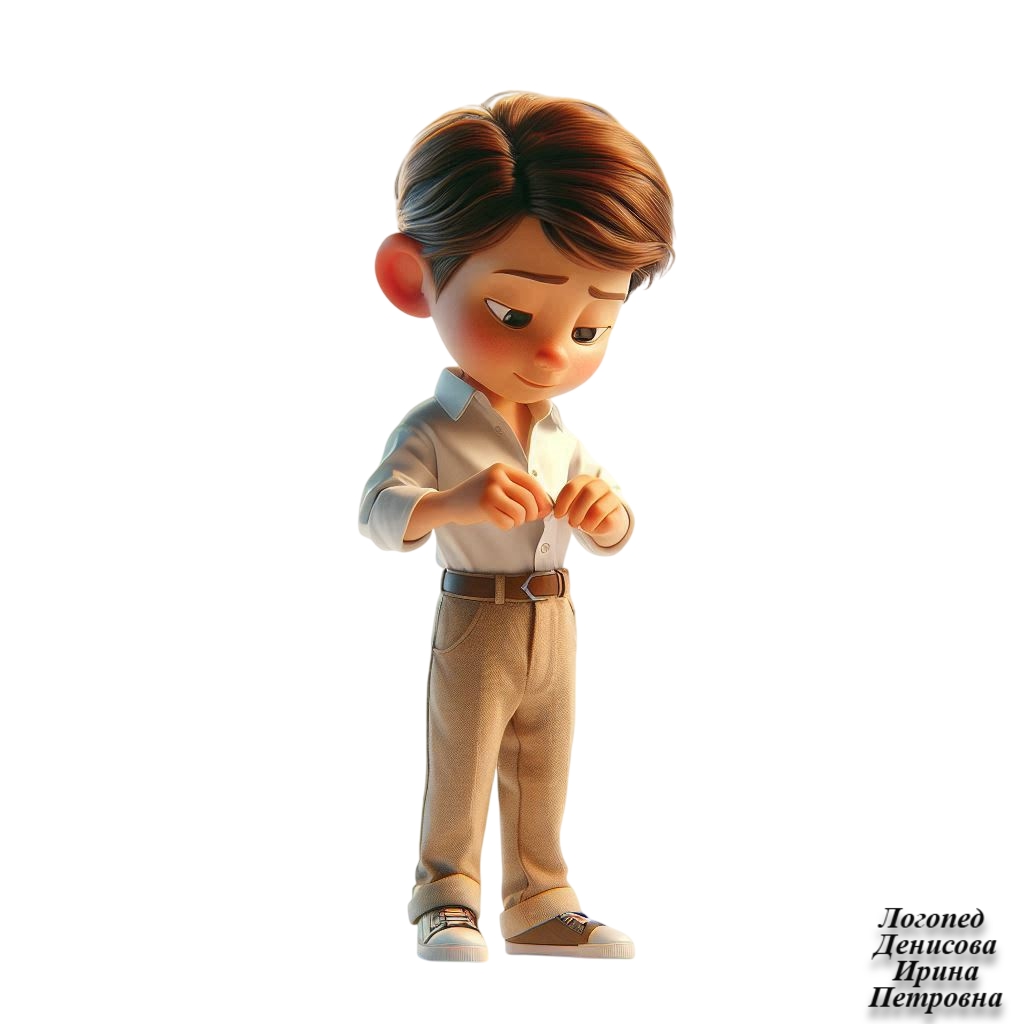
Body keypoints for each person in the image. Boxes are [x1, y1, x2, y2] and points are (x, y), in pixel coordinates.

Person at [359, 92, 673, 961]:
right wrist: (452, 503)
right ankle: (446, 895)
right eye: (512, 314)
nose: (554, 352)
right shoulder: (436, 428)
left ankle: (538, 899)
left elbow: (612, 517)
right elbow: (378, 511)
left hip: (554, 617)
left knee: (544, 761)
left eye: (591, 325)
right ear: (413, 279)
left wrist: (607, 516)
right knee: (462, 758)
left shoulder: (559, 432)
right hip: (477, 614)